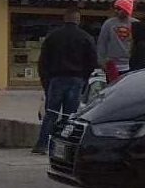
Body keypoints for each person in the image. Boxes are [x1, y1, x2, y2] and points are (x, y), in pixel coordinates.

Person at [33, 9, 98, 154]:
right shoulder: (85, 37)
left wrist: (46, 81)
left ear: (64, 19)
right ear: (78, 20)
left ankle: (42, 144)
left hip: (56, 79)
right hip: (76, 79)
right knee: (70, 116)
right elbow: (92, 61)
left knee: (51, 113)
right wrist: (85, 79)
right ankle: (66, 147)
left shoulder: (53, 36)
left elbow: (43, 61)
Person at [97, 0, 138, 83]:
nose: (116, 11)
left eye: (119, 9)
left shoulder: (135, 24)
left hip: (129, 64)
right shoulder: (109, 23)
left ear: (126, 10)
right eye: (116, 8)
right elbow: (102, 42)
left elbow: (138, 43)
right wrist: (102, 61)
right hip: (112, 64)